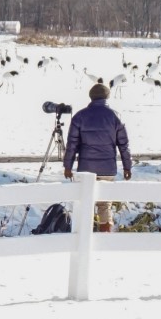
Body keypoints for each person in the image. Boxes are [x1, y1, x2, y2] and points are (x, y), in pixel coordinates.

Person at [63, 82, 131, 232]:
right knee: (104, 205)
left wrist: (68, 166)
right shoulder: (114, 116)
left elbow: (72, 145)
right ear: (107, 97)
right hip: (107, 169)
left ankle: (83, 237)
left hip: (86, 170)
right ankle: (104, 236)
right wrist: (127, 166)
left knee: (85, 203)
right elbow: (123, 145)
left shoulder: (79, 116)